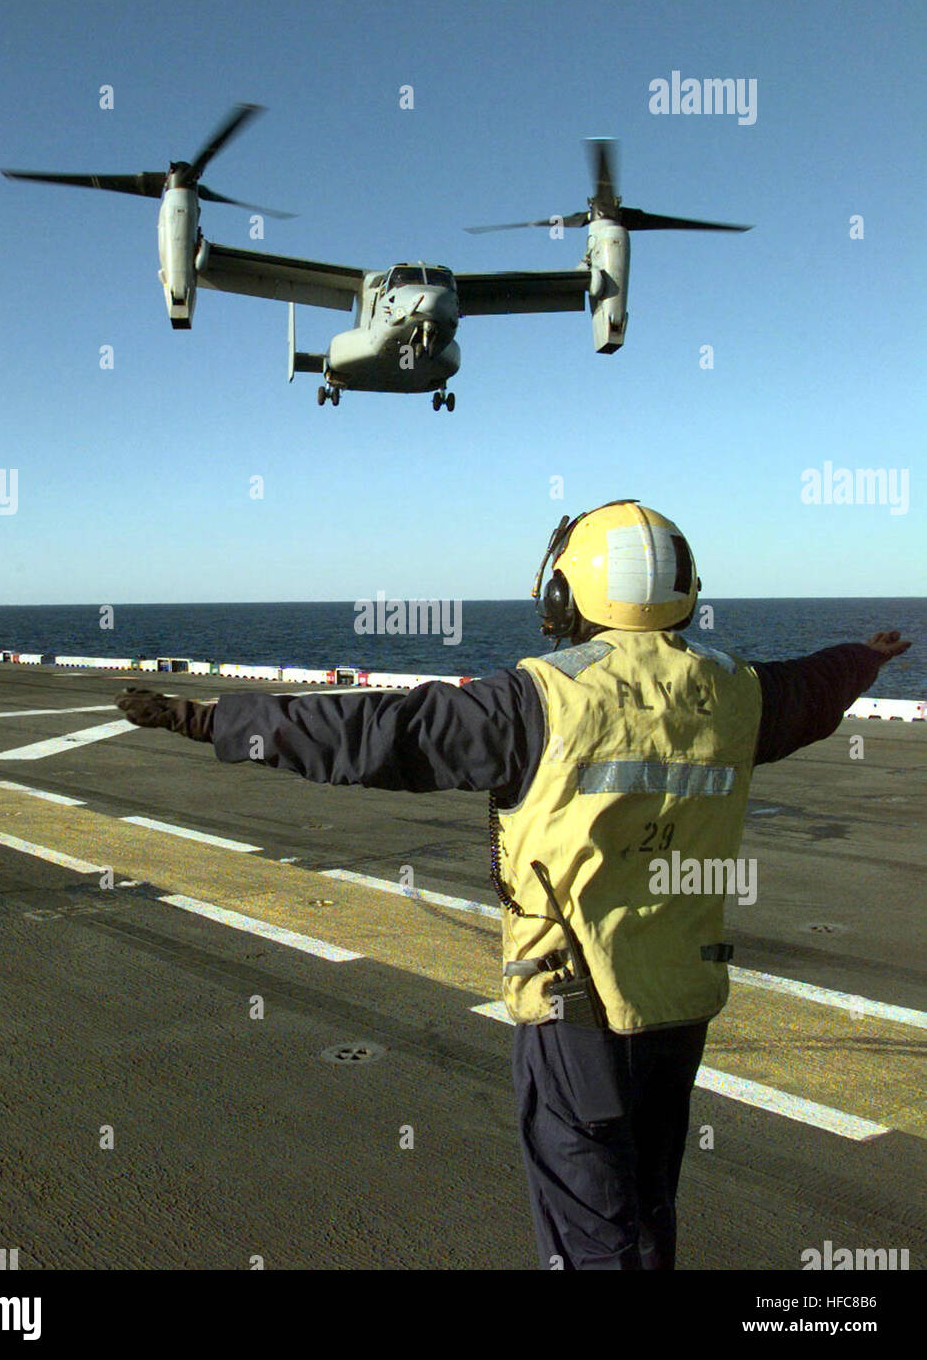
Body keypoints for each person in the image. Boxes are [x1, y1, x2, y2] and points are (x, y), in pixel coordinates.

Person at [114, 499, 911, 1271]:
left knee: (589, 1223)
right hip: (682, 1000)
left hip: (577, 1007)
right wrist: (865, 659)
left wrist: (208, 720)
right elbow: (815, 685)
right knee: (646, 1204)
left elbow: (378, 733)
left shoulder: (540, 700)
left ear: (569, 593)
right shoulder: (740, 694)